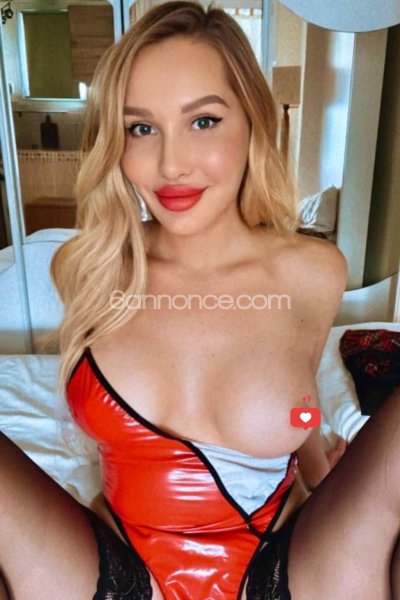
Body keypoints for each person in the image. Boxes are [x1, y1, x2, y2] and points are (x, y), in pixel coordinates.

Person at [1, 1, 399, 599]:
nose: (171, 164)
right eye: (141, 128)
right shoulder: (88, 271)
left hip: (277, 569)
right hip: (117, 573)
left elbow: (298, 386)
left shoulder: (313, 272)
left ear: (253, 123)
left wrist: (319, 468)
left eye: (204, 121)